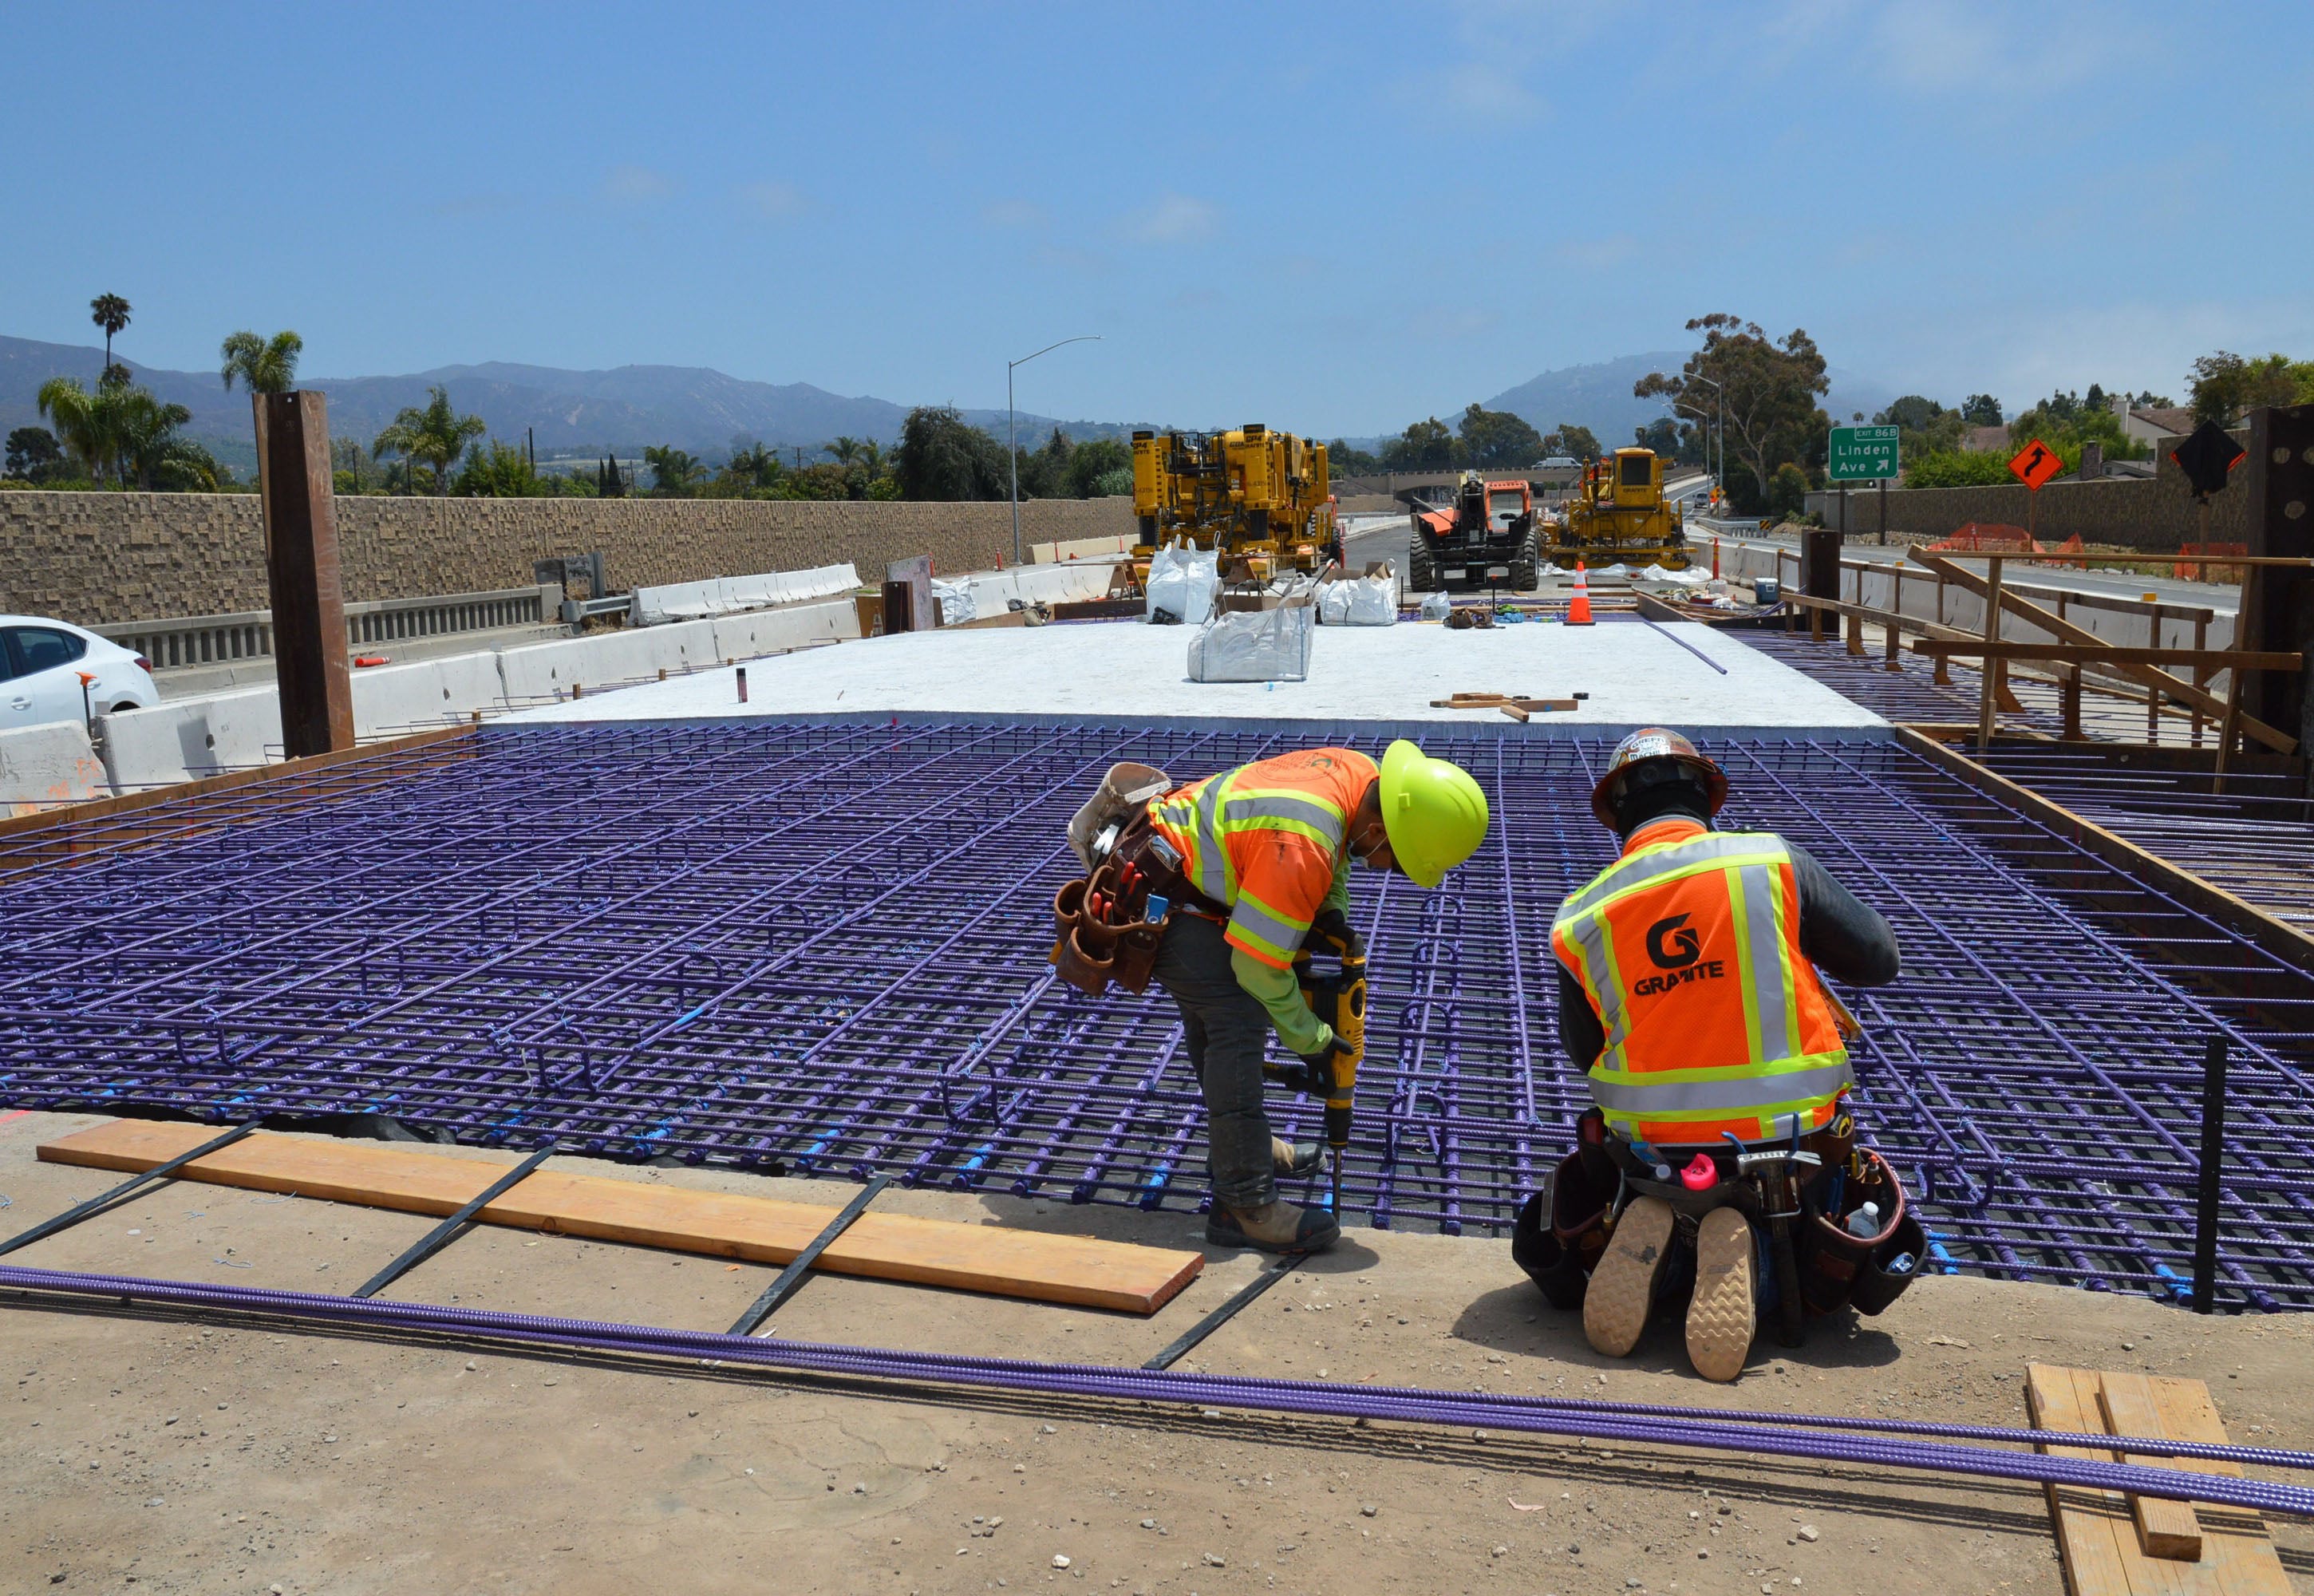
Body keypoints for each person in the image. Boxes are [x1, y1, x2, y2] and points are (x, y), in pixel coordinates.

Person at [1547, 728, 1899, 1380]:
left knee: (1639, 1184)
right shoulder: (1768, 861)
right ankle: (1754, 1266)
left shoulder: (1581, 915)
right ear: (1708, 798)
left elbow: (1583, 1053)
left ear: (1617, 816)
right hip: (1794, 1144)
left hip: (1654, 1153)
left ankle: (1669, 1238)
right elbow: (1879, 959)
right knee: (1822, 1230)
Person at [1078, 742, 1489, 1254]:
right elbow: (1257, 966)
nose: (1385, 871)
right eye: (1394, 861)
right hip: (1160, 894)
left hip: (1174, 862)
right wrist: (1311, 1036)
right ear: (1380, 830)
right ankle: (1243, 1202)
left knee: (1221, 1016)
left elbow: (1337, 850)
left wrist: (1330, 907)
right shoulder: (1304, 842)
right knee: (1235, 1017)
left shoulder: (1360, 774)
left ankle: (1242, 1148)